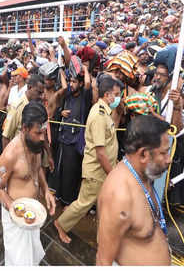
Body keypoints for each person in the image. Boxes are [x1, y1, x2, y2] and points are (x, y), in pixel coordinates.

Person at [96, 115, 172, 266]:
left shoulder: (143, 173)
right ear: (144, 154)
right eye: (164, 153)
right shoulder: (119, 196)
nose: (169, 159)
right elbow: (103, 261)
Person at [54, 76, 121, 243]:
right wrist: (112, 174)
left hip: (103, 170)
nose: (119, 98)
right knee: (83, 203)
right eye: (117, 94)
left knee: (103, 206)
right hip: (97, 172)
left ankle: (102, 238)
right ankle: (60, 224)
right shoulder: (99, 115)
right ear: (108, 95)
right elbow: (100, 151)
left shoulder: (104, 111)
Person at [0, 101, 56, 266]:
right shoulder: (9, 156)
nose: (43, 138)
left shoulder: (35, 143)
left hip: (32, 214)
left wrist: (46, 190)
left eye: (44, 132)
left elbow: (37, 169)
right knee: (18, 262)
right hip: (15, 219)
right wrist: (15, 210)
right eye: (38, 133)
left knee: (31, 259)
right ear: (24, 128)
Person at [49, 67, 92, 206]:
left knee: (71, 173)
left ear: (80, 84)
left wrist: (85, 68)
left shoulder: (84, 97)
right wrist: (61, 113)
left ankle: (68, 201)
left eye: (74, 82)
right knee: (60, 169)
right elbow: (64, 87)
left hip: (75, 143)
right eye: (70, 81)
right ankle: (59, 196)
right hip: (63, 138)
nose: (71, 84)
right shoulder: (67, 95)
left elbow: (87, 84)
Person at [2, 74, 45, 149]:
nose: (42, 97)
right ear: (29, 87)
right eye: (39, 93)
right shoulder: (17, 107)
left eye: (42, 93)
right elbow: (6, 137)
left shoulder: (39, 107)